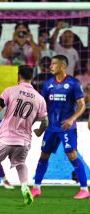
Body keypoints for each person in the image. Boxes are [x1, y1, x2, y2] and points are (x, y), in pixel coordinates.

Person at [0, 65, 48, 206]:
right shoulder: (40, 99)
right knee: (20, 163)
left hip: (5, 137)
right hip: (24, 140)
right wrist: (39, 131)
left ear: (18, 76)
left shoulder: (10, 91)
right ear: (32, 77)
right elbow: (45, 121)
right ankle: (25, 187)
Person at [30, 55, 90, 199]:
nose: (51, 66)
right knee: (44, 155)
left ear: (63, 66)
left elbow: (82, 105)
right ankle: (36, 188)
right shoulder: (48, 84)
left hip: (66, 127)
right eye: (51, 64)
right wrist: (39, 126)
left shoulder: (73, 83)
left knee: (72, 154)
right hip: (51, 127)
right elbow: (42, 106)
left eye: (54, 64)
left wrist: (72, 119)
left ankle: (84, 189)